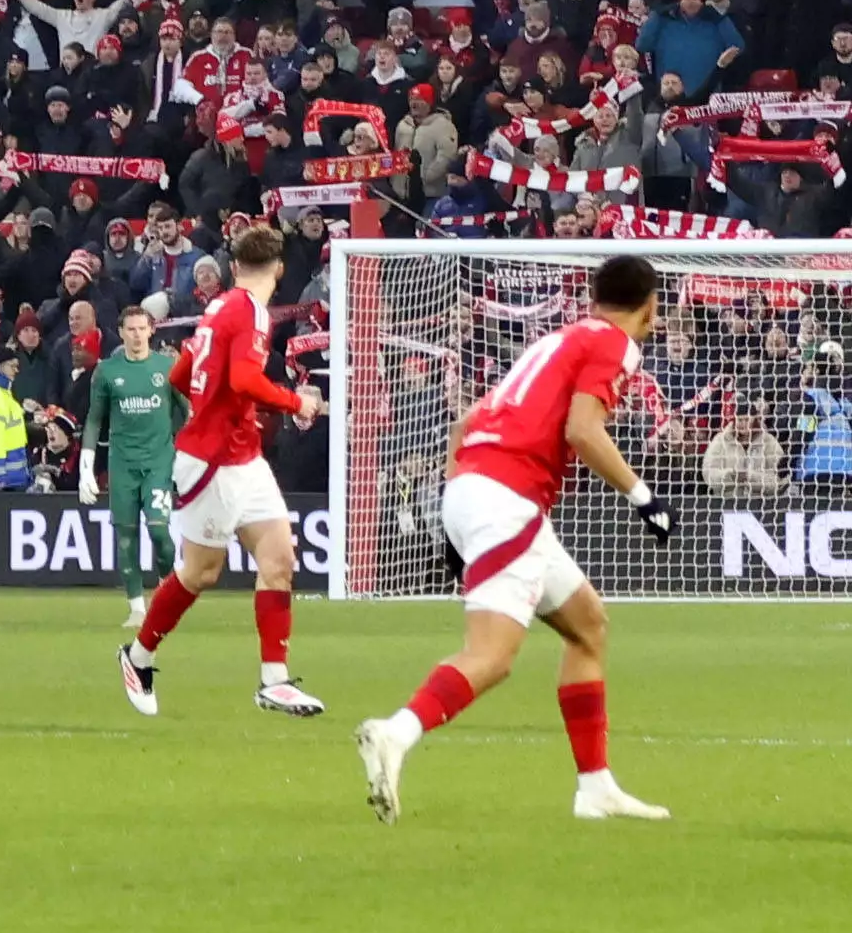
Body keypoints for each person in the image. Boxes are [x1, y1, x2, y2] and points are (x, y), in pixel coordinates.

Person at [363, 250, 677, 827]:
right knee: (492, 656)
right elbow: (583, 431)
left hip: (475, 487)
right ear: (651, 307)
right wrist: (644, 497)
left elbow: (463, 426)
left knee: (588, 625)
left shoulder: (557, 340)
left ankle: (596, 787)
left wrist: (459, 518)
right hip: (507, 500)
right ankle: (396, 732)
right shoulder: (615, 344)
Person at [126, 243, 325, 719]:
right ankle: (138, 657)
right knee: (201, 573)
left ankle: (274, 681)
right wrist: (295, 402)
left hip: (244, 455)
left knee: (279, 560)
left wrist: (225, 410)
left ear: (234, 267)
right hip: (213, 460)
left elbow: (180, 374)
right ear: (280, 268)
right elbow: (243, 380)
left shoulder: (218, 308)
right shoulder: (252, 313)